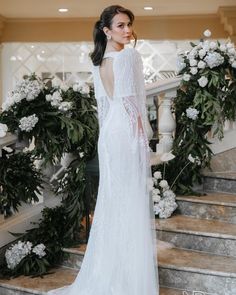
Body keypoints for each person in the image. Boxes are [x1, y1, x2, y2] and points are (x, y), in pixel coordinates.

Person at [48, 5, 159, 295]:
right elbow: (135, 101)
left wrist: (110, 139)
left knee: (115, 200)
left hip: (110, 133)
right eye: (120, 26)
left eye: (128, 25)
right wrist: (143, 137)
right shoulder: (130, 55)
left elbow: (104, 108)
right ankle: (128, 274)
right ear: (106, 30)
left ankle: (114, 269)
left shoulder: (97, 60)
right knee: (129, 199)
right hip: (126, 129)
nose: (127, 30)